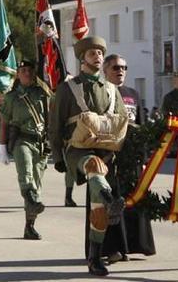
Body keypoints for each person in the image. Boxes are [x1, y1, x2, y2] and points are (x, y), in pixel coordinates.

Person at [50, 36, 130, 276]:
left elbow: (124, 122)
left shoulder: (112, 91)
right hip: (78, 150)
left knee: (98, 210)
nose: (97, 56)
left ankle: (95, 258)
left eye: (99, 53)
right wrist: (57, 157)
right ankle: (109, 199)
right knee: (94, 167)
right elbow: (54, 125)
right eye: (92, 53)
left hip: (107, 152)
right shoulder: (68, 88)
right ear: (82, 58)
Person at [102, 54, 156, 261]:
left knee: (133, 201)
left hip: (131, 158)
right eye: (115, 67)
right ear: (105, 70)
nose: (120, 71)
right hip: (110, 158)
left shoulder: (132, 93)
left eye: (124, 68)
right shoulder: (100, 93)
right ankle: (112, 248)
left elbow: (141, 127)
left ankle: (133, 245)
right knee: (112, 203)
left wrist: (143, 158)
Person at [0, 59, 50, 240]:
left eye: (29, 70)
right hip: (22, 140)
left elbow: (50, 118)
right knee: (26, 175)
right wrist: (2, 148)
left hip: (41, 143)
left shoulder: (42, 93)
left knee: (36, 186)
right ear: (18, 74)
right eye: (23, 70)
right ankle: (30, 196)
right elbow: (4, 123)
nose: (27, 73)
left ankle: (30, 226)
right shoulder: (12, 97)